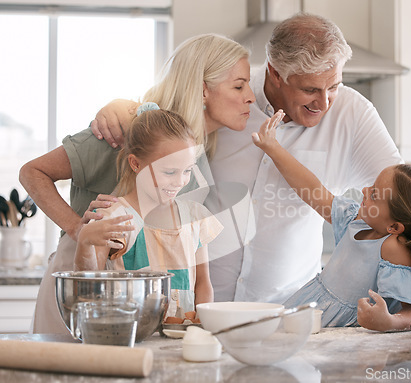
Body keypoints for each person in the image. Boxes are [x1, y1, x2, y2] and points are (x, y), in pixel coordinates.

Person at [92, 13, 403, 304]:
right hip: (200, 307)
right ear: (275, 73)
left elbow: (407, 199)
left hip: (289, 310)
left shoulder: (353, 115)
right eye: (310, 89)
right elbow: (161, 118)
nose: (324, 103)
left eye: (333, 86)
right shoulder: (230, 94)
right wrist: (122, 107)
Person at [19, 33, 255, 334]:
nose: (251, 96)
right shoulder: (121, 130)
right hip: (82, 289)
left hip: (143, 314)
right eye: (239, 85)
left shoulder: (195, 150)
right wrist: (78, 229)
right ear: (202, 90)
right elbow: (32, 172)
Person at [251, 113, 411, 331]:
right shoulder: (355, 221)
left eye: (374, 194)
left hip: (340, 331)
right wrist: (272, 147)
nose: (365, 190)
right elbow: (313, 190)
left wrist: (388, 321)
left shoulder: (393, 248)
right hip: (313, 312)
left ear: (394, 227)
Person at [76, 104, 222, 322]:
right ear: (135, 163)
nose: (180, 181)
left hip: (183, 339)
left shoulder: (195, 216)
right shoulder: (114, 217)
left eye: (188, 171)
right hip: (131, 339)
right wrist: (84, 241)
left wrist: (202, 326)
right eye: (169, 172)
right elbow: (89, 288)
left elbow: (203, 284)